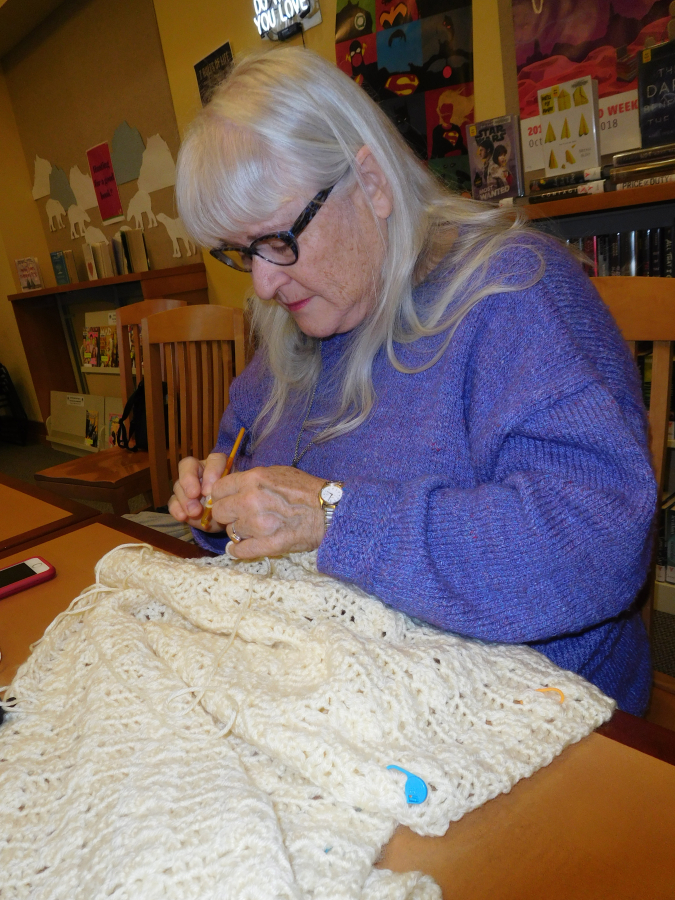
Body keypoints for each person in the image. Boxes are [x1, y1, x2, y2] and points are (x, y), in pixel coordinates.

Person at [169, 47, 655, 715]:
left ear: (369, 182)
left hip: (524, 710)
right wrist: (216, 507)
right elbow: (246, 463)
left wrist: (335, 515)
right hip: (341, 682)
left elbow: (597, 544)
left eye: (277, 239)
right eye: (239, 252)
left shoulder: (514, 295)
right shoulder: (295, 327)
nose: (262, 283)